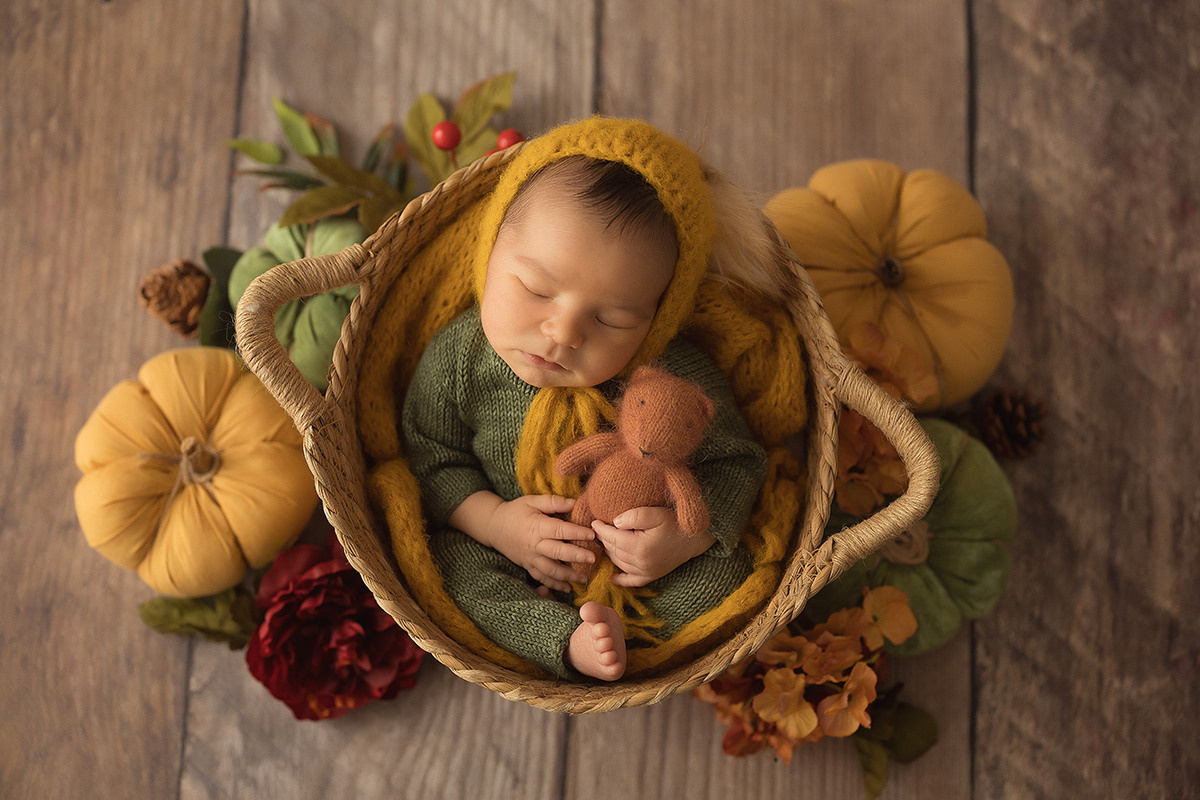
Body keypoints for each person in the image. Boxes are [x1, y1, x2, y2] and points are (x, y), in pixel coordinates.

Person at [402, 117, 770, 681]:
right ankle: (563, 641)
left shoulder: (670, 380)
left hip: (638, 575)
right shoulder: (460, 358)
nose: (564, 332)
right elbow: (430, 457)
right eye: (535, 290)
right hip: (503, 551)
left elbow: (737, 461)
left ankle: (626, 642)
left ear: (657, 318)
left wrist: (684, 541)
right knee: (450, 569)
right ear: (489, 254)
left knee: (726, 578)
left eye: (612, 319)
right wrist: (497, 523)